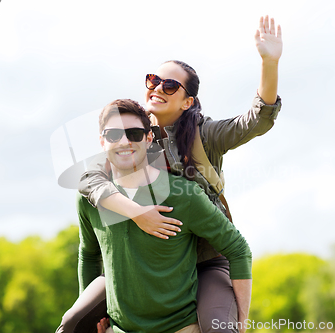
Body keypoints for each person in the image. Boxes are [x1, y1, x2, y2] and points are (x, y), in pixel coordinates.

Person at [57, 15, 282, 333]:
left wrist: (269, 62)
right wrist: (139, 214)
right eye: (153, 80)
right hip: (141, 262)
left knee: (220, 328)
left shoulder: (206, 136)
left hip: (203, 258)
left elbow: (257, 121)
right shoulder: (129, 136)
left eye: (170, 85)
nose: (158, 88)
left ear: (187, 100)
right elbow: (87, 179)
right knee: (74, 322)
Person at [74, 99, 252, 333]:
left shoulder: (184, 195)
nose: (125, 141)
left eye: (135, 133)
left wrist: (241, 321)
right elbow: (88, 255)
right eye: (114, 134)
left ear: (149, 139)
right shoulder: (90, 201)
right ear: (102, 141)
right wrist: (93, 315)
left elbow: (238, 249)